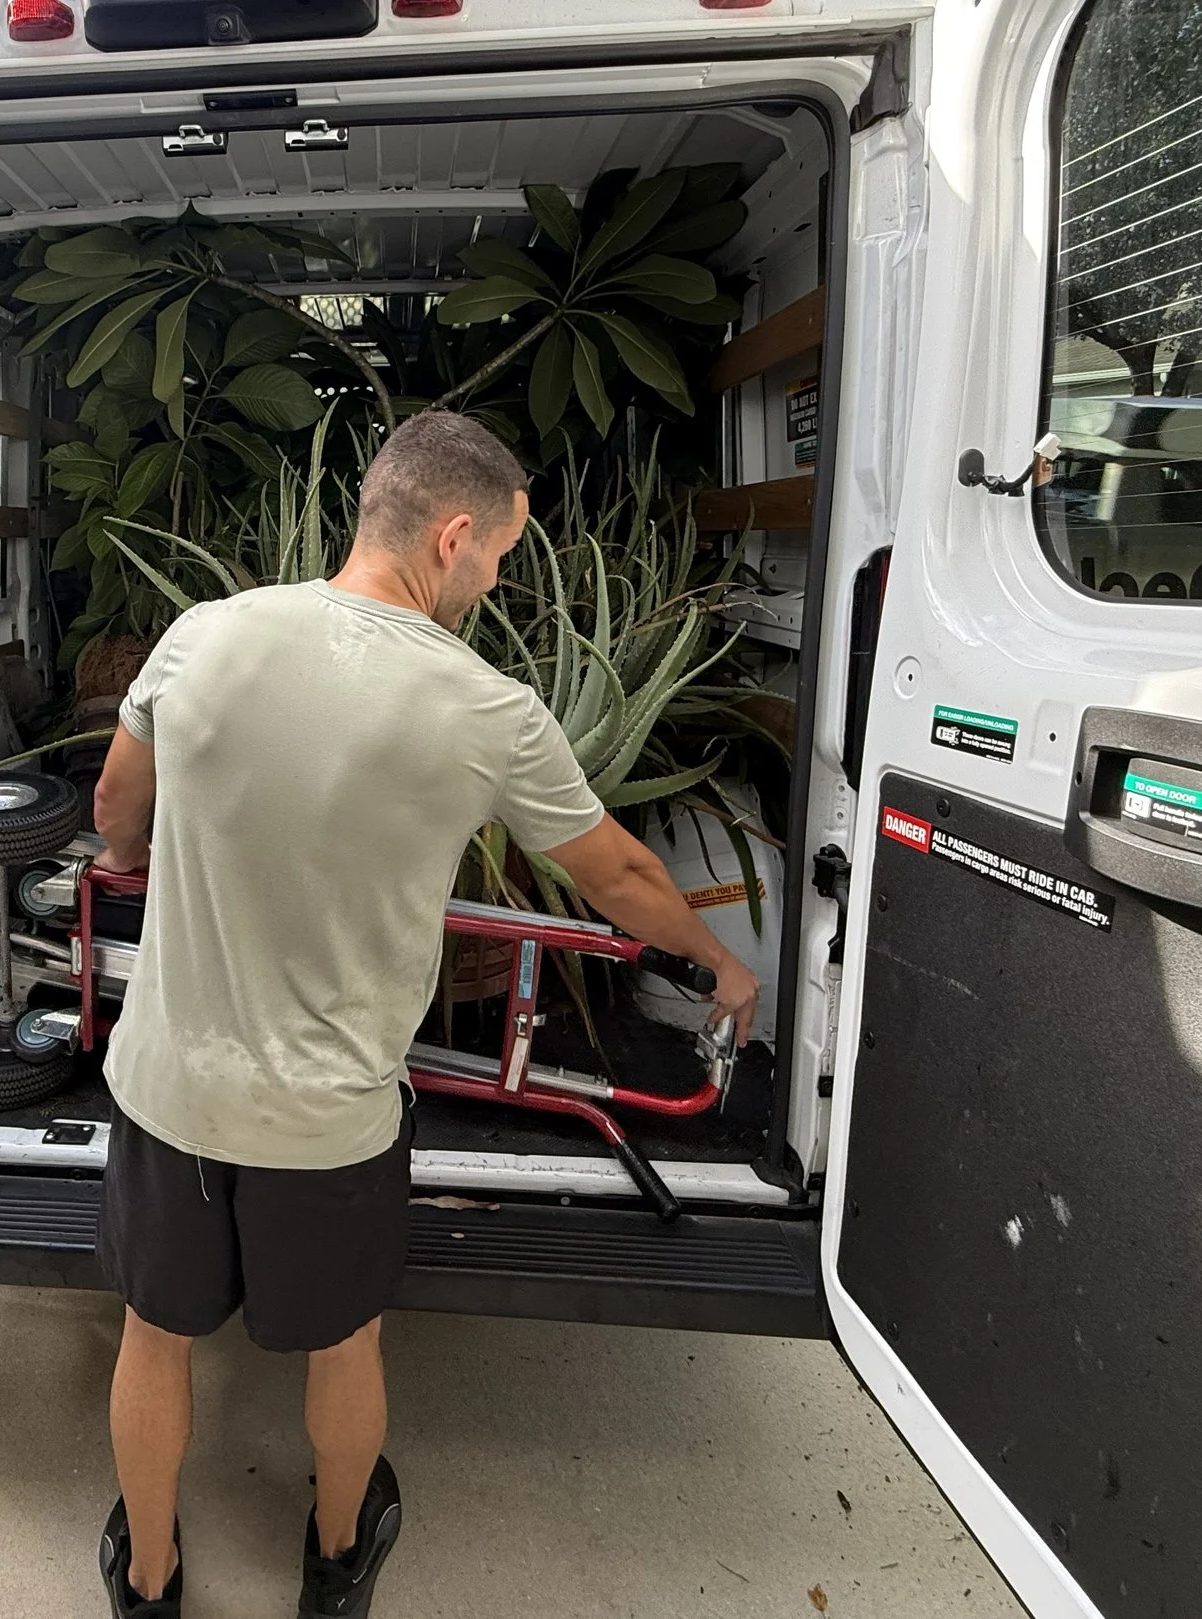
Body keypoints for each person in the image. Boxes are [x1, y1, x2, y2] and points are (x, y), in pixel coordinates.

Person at [86, 411, 760, 1619]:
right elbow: (619, 879)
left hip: (170, 1092)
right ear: (452, 536)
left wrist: (134, 849)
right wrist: (718, 959)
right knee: (344, 1347)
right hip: (330, 1123)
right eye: (498, 555)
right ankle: (337, 1560)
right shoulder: (483, 708)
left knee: (154, 1332)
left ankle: (148, 1578)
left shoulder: (202, 636)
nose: (497, 581)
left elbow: (117, 802)